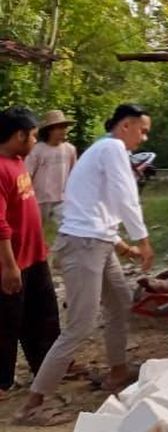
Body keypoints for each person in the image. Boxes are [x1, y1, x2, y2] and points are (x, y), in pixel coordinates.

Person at [21, 105, 155, 421]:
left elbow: (100, 204)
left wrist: (121, 243)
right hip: (83, 246)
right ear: (125, 126)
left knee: (120, 302)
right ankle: (33, 404)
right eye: (142, 129)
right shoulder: (111, 148)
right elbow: (125, 196)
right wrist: (143, 240)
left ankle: (118, 371)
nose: (144, 137)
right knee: (80, 325)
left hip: (98, 242)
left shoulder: (104, 151)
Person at [0, 108, 60, 399]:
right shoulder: (0, 167)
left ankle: (47, 368)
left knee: (44, 314)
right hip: (12, 261)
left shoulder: (19, 160)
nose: (36, 140)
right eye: (34, 135)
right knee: (7, 321)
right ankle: (2, 381)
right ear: (20, 135)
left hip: (35, 255)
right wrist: (9, 266)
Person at [25, 110, 76, 227]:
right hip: (40, 198)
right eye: (59, 128)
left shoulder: (70, 149)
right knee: (36, 228)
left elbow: (73, 174)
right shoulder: (37, 150)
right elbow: (28, 173)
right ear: (49, 130)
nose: (63, 130)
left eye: (64, 127)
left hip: (62, 198)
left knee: (64, 229)